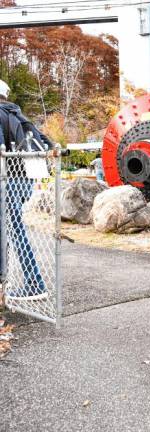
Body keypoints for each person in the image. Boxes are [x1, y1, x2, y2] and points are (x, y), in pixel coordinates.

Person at [0, 79, 53, 301]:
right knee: (12, 230)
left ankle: (34, 284)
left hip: (7, 180)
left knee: (14, 231)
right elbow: (46, 144)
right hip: (25, 179)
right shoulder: (17, 114)